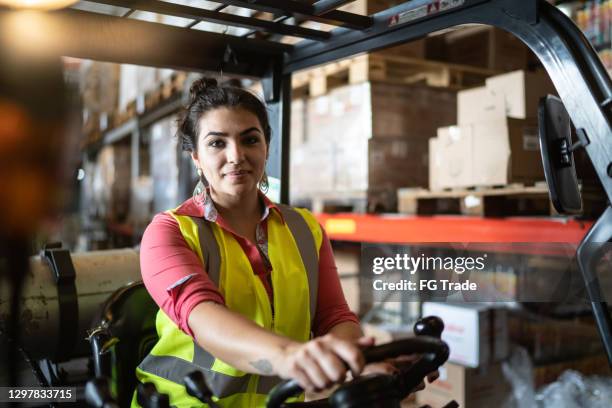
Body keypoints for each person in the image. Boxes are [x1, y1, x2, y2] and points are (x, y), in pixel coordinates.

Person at [134, 77, 431, 407]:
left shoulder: (304, 228)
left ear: (266, 147)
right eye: (217, 143)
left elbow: (334, 317)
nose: (236, 156)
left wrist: (359, 361)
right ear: (196, 158)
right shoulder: (169, 233)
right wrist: (292, 356)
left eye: (250, 140)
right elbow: (204, 318)